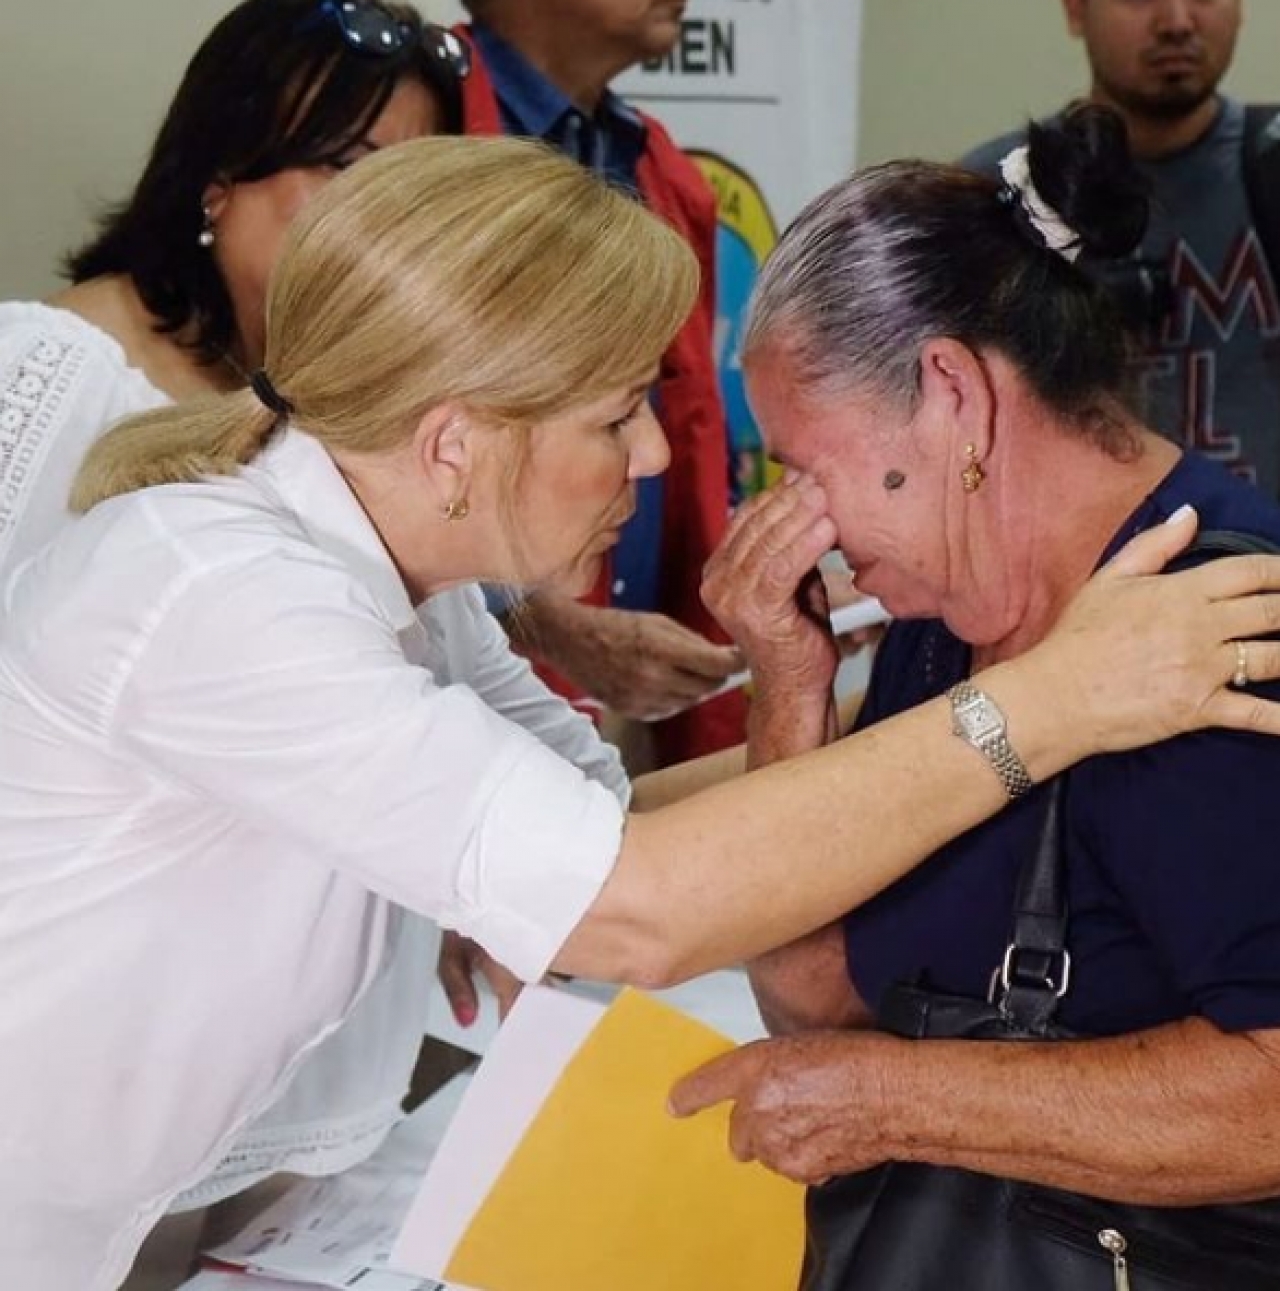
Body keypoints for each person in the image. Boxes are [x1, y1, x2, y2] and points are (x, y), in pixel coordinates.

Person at [5, 130, 1280, 1288]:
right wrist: (1047, 700)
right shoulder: (221, 593)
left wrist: (802, 692)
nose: (664, 459)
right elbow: (626, 900)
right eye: (617, 415)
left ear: (949, 399)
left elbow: (605, 825)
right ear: (454, 444)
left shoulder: (406, 592)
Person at [669, 106, 1280, 1242]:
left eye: (803, 465)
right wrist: (790, 694)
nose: (787, 517)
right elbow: (819, 999)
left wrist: (898, 1101)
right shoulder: (941, 605)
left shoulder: (1213, 625)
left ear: (949, 394)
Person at [0, 0, 471, 1265]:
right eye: (353, 171)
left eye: (421, 187)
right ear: (220, 179)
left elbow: (459, 698)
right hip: (70, 1064)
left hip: (289, 1070)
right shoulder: (48, 370)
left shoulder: (360, 413)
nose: (388, 226)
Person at [454, 0, 747, 766]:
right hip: (459, 707)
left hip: (638, 697)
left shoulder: (657, 166)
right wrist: (546, 622)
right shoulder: (417, 124)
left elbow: (688, 434)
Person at [962, 0, 1280, 496]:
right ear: (1075, 11)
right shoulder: (992, 197)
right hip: (1079, 564)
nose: (1177, 21)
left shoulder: (1270, 164)